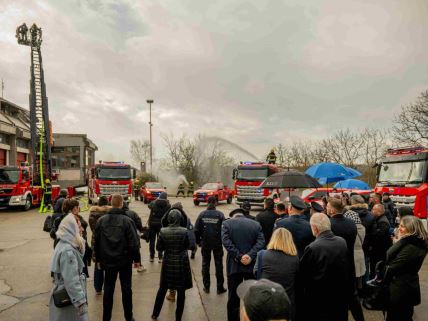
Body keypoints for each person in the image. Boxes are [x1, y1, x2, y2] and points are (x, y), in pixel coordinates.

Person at [94, 194, 140, 321]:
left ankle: (106, 318)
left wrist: (97, 259)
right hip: (124, 261)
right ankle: (128, 317)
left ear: (111, 203)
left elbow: (96, 242)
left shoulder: (101, 221)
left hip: (107, 261)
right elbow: (134, 243)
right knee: (126, 289)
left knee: (108, 289)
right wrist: (137, 260)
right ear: (121, 204)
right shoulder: (127, 221)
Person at [300, 213, 349, 321]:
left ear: (315, 228)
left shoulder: (313, 247)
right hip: (339, 295)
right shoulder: (342, 242)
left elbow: (303, 274)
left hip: (319, 298)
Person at [222, 208, 265, 321]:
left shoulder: (227, 223)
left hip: (234, 266)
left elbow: (226, 242)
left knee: (233, 298)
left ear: (233, 215)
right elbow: (261, 242)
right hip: (251, 266)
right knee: (251, 298)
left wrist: (239, 256)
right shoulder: (256, 224)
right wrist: (250, 256)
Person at [382, 216, 428, 321]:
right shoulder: (409, 242)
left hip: (402, 288)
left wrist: (383, 274)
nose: (399, 228)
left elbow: (395, 266)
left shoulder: (412, 246)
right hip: (402, 285)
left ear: (412, 229)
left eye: (403, 226)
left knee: (399, 316)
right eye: (399, 225)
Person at [151, 210, 194, 321]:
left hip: (168, 262)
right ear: (179, 219)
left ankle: (155, 314)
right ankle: (178, 317)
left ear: (169, 219)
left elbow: (159, 248)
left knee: (162, 289)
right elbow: (189, 245)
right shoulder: (184, 231)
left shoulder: (163, 231)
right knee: (181, 291)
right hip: (181, 263)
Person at [327, 198, 364, 321]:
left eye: (327, 206)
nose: (326, 208)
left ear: (332, 209)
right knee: (352, 296)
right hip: (349, 264)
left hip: (335, 266)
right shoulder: (351, 223)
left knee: (338, 299)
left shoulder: (329, 224)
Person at [49, 213, 89, 321]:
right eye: (79, 227)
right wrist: (80, 302)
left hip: (67, 293)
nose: (82, 230)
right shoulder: (68, 250)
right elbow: (71, 279)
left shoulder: (63, 242)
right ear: (71, 229)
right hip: (69, 296)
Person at [253, 228, 299, 320]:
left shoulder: (262, 254)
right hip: (286, 301)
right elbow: (296, 278)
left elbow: (256, 273)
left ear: (273, 239)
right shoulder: (295, 259)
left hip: (265, 301)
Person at [161, 202, 197, 301]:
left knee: (170, 274)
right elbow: (190, 233)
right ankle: (180, 293)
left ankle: (172, 293)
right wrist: (192, 247)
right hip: (181, 254)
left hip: (169, 254)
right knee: (180, 275)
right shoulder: (186, 220)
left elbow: (161, 242)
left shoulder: (167, 221)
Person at [194, 196, 227, 294]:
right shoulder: (220, 215)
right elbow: (225, 229)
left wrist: (199, 242)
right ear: (216, 203)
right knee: (219, 265)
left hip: (205, 243)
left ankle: (206, 287)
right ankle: (219, 288)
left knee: (205, 265)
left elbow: (196, 230)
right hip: (217, 244)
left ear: (208, 203)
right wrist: (223, 241)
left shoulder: (202, 214)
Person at [347, 194, 376, 281]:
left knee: (352, 269)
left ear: (352, 202)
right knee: (365, 267)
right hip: (366, 246)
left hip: (351, 246)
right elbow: (374, 233)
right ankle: (365, 286)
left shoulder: (348, 215)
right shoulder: (371, 215)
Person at [88, 195, 110, 294]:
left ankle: (98, 289)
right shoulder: (111, 213)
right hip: (109, 240)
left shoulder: (93, 214)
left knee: (98, 264)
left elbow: (92, 228)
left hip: (96, 240)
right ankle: (108, 286)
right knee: (109, 265)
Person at [344, 209, 366, 295]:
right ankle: (359, 292)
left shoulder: (350, 229)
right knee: (359, 276)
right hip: (360, 253)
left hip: (353, 254)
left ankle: (354, 294)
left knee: (353, 276)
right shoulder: (362, 228)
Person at [370, 204, 392, 278]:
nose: (371, 211)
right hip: (380, 250)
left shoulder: (383, 222)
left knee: (378, 268)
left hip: (380, 251)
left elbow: (378, 236)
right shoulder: (379, 219)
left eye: (373, 210)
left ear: (379, 212)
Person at [123, 201, 146, 273]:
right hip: (133, 234)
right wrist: (140, 229)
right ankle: (138, 266)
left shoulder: (119, 214)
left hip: (122, 236)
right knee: (136, 250)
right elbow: (139, 223)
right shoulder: (133, 213)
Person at [148, 192, 171, 262]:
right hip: (161, 225)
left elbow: (149, 205)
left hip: (152, 224)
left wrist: (156, 200)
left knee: (152, 240)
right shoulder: (168, 205)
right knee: (160, 241)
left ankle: (152, 256)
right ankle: (160, 257)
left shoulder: (154, 203)